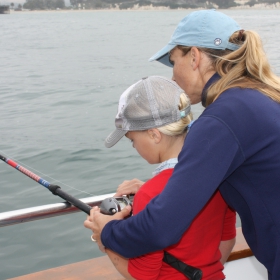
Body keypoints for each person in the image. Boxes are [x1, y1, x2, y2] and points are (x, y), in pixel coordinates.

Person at [84, 10, 280, 280]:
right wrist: (166, 189)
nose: (173, 78)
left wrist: (107, 231)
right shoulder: (260, 97)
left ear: (195, 57)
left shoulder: (223, 118)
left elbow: (161, 229)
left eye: (174, 61)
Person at [86, 75, 236, 279]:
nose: (134, 147)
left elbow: (143, 275)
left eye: (132, 140)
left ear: (154, 135)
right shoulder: (216, 176)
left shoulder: (150, 196)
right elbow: (227, 242)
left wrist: (104, 240)